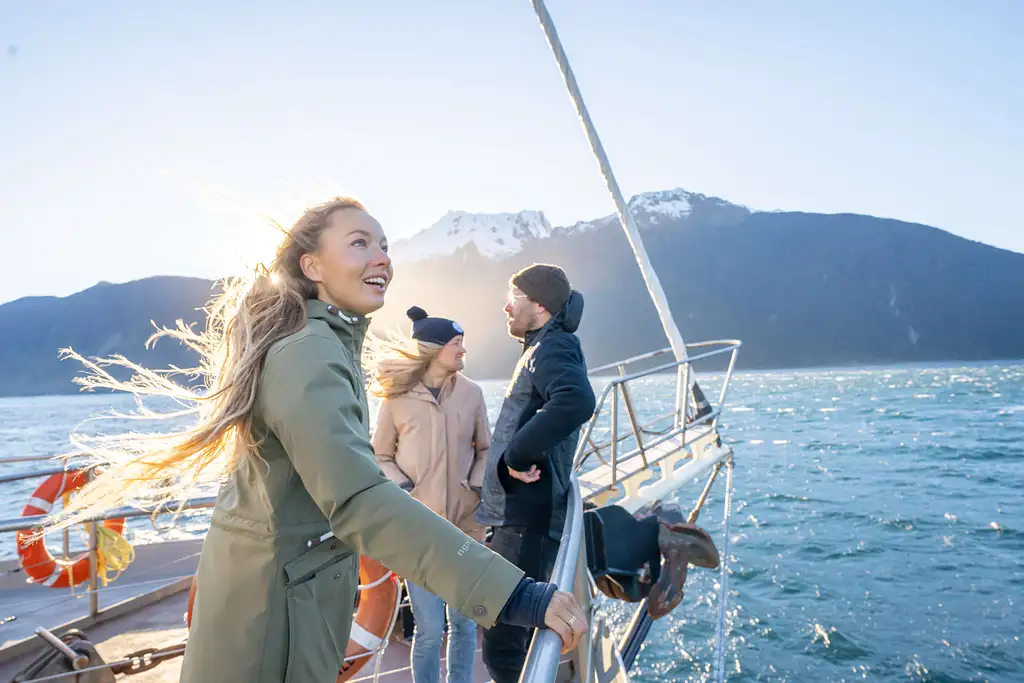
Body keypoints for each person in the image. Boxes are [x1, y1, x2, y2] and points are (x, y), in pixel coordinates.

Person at [47, 199, 586, 683]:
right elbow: (358, 500)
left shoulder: (326, 343)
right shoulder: (308, 351)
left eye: (384, 245)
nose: (382, 257)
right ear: (313, 267)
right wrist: (514, 593)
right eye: (360, 243)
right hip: (270, 621)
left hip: (283, 604)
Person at [475, 263, 597, 683]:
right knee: (506, 638)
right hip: (520, 516)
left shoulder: (553, 347)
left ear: (539, 305)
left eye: (515, 297)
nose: (506, 306)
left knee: (505, 645)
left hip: (527, 518)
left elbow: (577, 400)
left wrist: (516, 456)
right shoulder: (540, 345)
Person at [370, 306, 490, 683]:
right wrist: (405, 489)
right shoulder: (397, 397)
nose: (463, 351)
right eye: (456, 344)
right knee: (430, 630)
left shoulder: (472, 393)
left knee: (465, 626)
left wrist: (474, 485)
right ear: (434, 349)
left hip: (465, 529)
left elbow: (486, 448)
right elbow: (379, 455)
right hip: (417, 531)